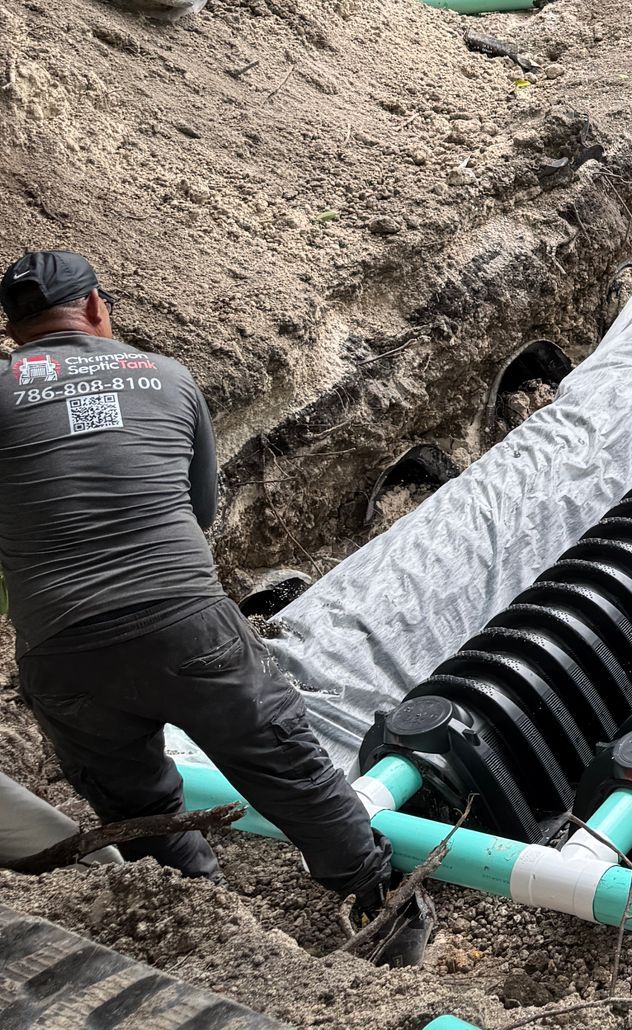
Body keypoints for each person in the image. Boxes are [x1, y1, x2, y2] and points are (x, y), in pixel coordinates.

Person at [0, 251, 431, 964]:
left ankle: (204, 914)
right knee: (284, 760)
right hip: (186, 620)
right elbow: (201, 510)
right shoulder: (167, 376)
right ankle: (384, 906)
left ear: (16, 333)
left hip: (62, 647)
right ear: (99, 307)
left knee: (136, 804)